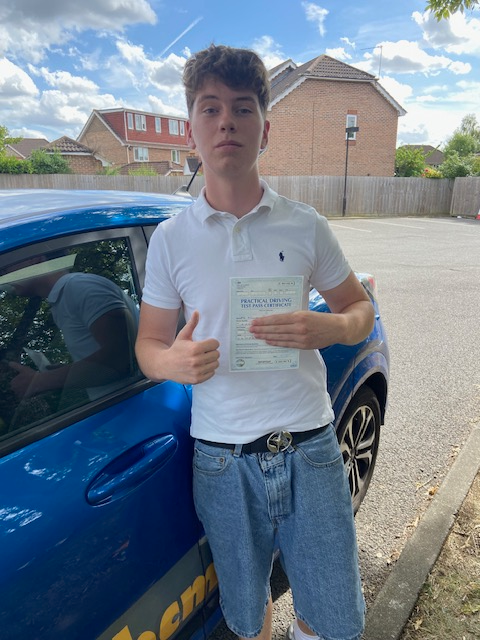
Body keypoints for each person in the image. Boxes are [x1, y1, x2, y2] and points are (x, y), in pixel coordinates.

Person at [135, 44, 375, 640]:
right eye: (210, 108)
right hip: (222, 460)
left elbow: (360, 310)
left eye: (243, 108)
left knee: (337, 619)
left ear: (264, 131)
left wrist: (331, 327)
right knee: (246, 617)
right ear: (191, 130)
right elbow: (148, 347)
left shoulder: (306, 224)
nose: (227, 122)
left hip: (311, 448)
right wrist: (172, 361)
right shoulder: (170, 240)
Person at [1, 253, 139, 404]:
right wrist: (68, 370)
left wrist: (40, 381)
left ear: (33, 258)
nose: (4, 272)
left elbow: (122, 359)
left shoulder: (79, 287)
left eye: (7, 265)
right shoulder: (65, 297)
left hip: (137, 407)